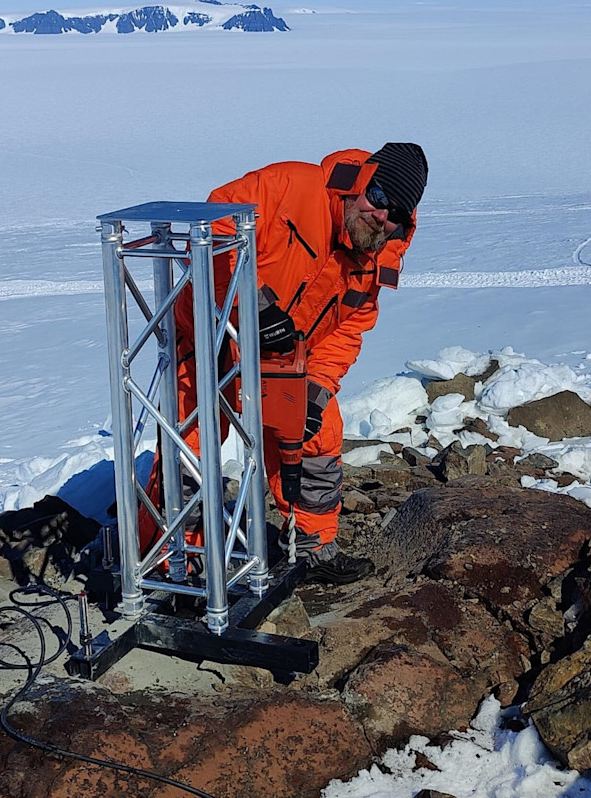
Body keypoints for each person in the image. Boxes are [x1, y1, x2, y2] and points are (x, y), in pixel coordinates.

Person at [150, 143, 427, 585]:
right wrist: (250, 304)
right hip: (213, 331)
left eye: (396, 212)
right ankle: (178, 556)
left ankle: (311, 545)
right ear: (358, 184)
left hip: (286, 357)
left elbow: (346, 330)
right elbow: (216, 223)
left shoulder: (377, 258)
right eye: (377, 196)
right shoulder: (291, 187)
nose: (381, 215)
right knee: (194, 437)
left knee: (318, 432)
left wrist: (316, 390)